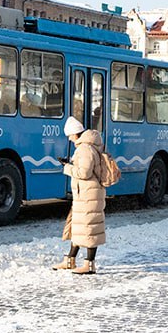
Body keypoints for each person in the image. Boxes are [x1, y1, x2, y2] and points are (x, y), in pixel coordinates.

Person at [52, 116, 107, 274]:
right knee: (79, 227)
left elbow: (84, 173)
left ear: (75, 133)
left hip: (88, 194)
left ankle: (89, 265)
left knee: (89, 229)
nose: (69, 139)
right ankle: (70, 260)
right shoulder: (89, 146)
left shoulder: (84, 148)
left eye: (70, 135)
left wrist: (67, 167)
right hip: (86, 194)